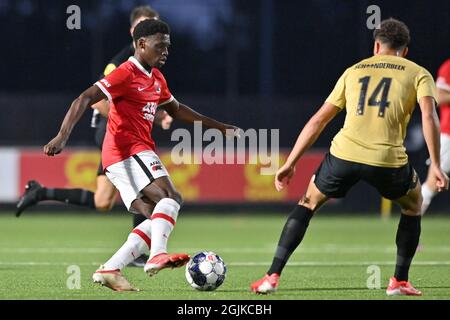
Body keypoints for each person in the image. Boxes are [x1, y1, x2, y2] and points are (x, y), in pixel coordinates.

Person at [250, 18, 449, 296]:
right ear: (405, 50)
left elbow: (319, 120)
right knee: (414, 204)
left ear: (377, 45)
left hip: (343, 155)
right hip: (387, 160)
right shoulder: (418, 73)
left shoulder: (354, 71)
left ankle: (271, 276)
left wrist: (291, 162)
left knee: (307, 203)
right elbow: (429, 116)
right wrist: (437, 165)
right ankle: (399, 281)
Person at [43, 19, 239, 291]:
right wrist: (62, 136)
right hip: (126, 151)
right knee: (171, 197)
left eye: (168, 47)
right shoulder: (125, 73)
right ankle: (157, 255)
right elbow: (85, 98)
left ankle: (111, 268)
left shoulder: (157, 78)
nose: (166, 52)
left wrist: (218, 126)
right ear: (141, 44)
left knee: (155, 215)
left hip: (128, 156)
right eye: (160, 46)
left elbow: (177, 110)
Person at [15, 5, 170, 267]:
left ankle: (40, 192)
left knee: (102, 201)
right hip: (110, 131)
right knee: (151, 187)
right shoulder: (122, 62)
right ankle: (143, 251)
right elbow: (96, 102)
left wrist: (157, 113)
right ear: (134, 31)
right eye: (146, 24)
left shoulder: (150, 62)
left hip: (118, 132)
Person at [420, 57, 450, 214]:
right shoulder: (448, 66)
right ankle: (410, 234)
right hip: (449, 135)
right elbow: (440, 96)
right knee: (432, 184)